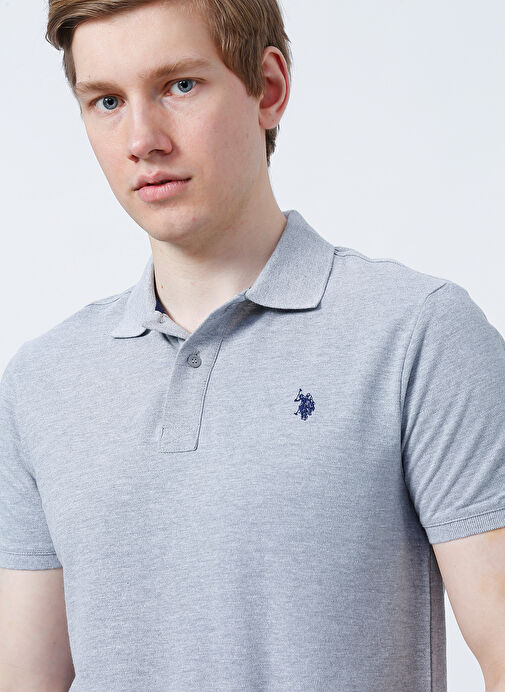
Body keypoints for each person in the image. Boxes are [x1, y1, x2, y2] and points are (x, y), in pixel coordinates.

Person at [1, 1, 505, 690]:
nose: (142, 139)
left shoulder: (416, 334)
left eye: (179, 85)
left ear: (267, 88)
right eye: (107, 101)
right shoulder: (43, 381)